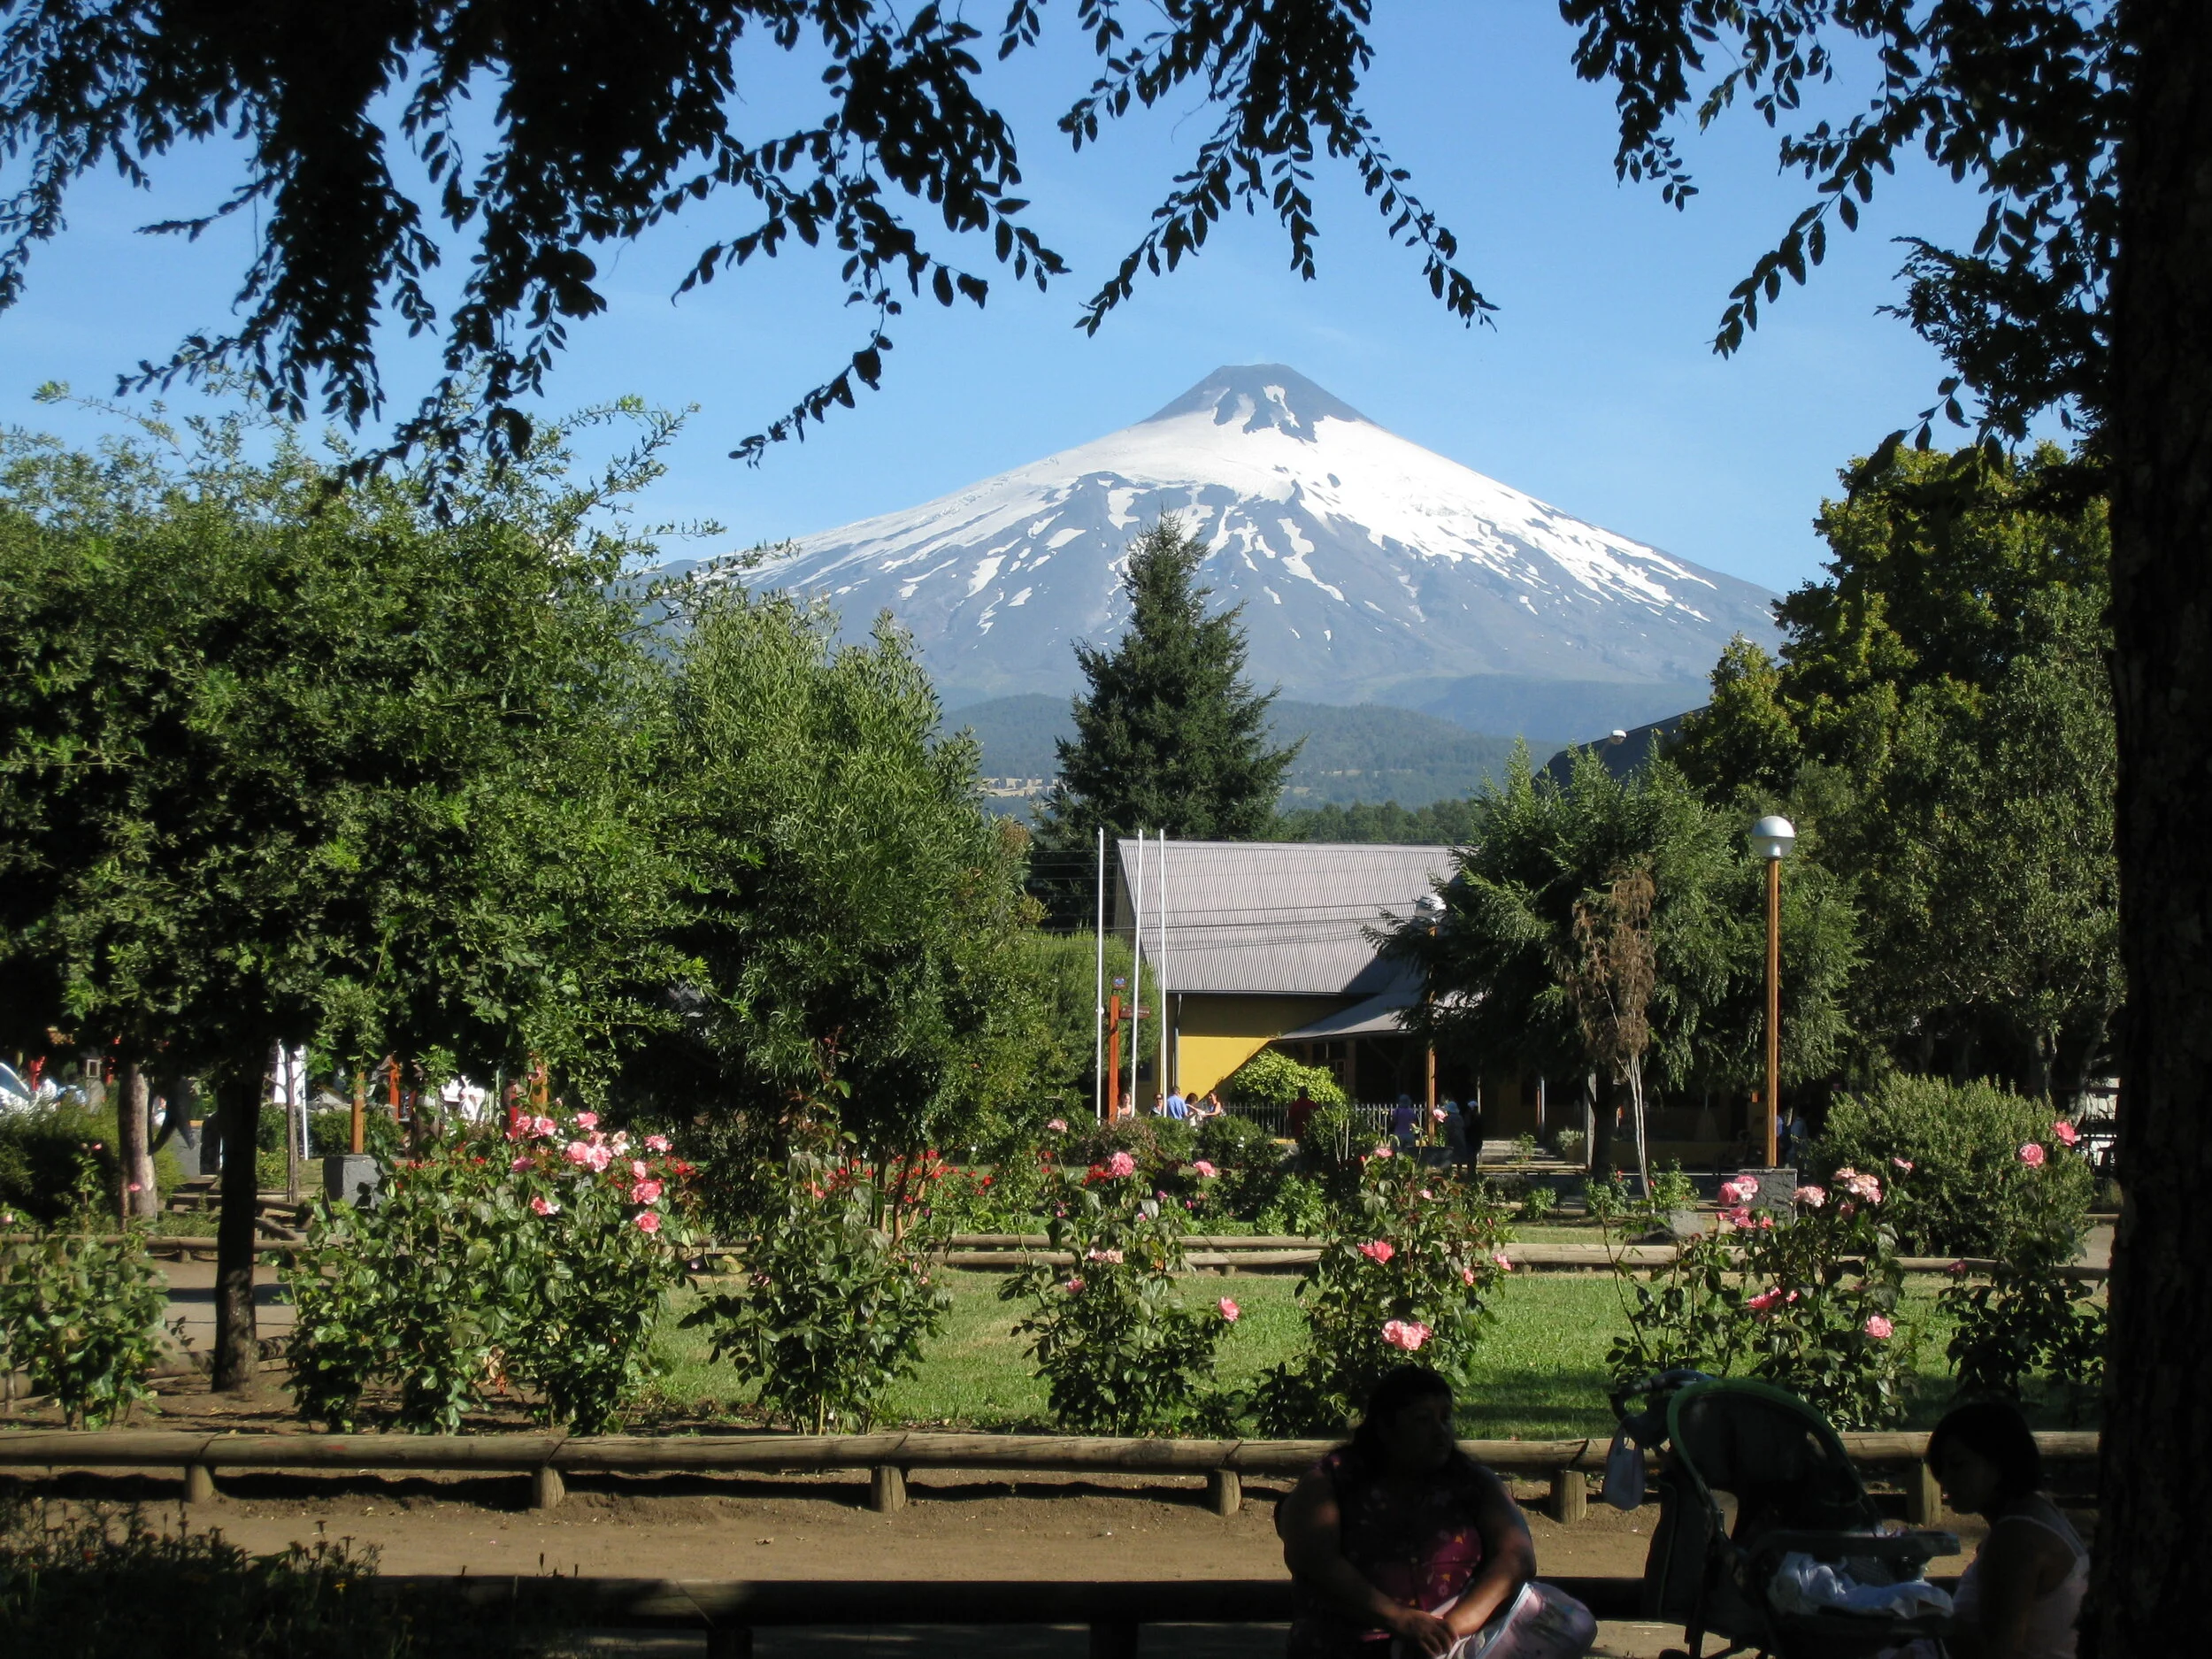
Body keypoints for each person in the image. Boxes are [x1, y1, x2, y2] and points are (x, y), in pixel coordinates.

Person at [1279, 1366, 1553, 1659]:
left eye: (1445, 1418)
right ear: (1385, 1429)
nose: (1440, 1432)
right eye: (1423, 1420)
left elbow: (1517, 1558)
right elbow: (1315, 1561)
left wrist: (1448, 1630)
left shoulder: (1473, 1482)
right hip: (1346, 1647)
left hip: (1456, 1646)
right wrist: (1398, 1619)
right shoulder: (1332, 1482)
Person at [1918, 1401, 2087, 1659]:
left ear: (1999, 1462)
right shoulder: (2036, 1510)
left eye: (1958, 1464)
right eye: (1942, 1466)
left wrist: (1931, 1617)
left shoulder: (2018, 1537)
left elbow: (1996, 1652)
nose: (1945, 1479)